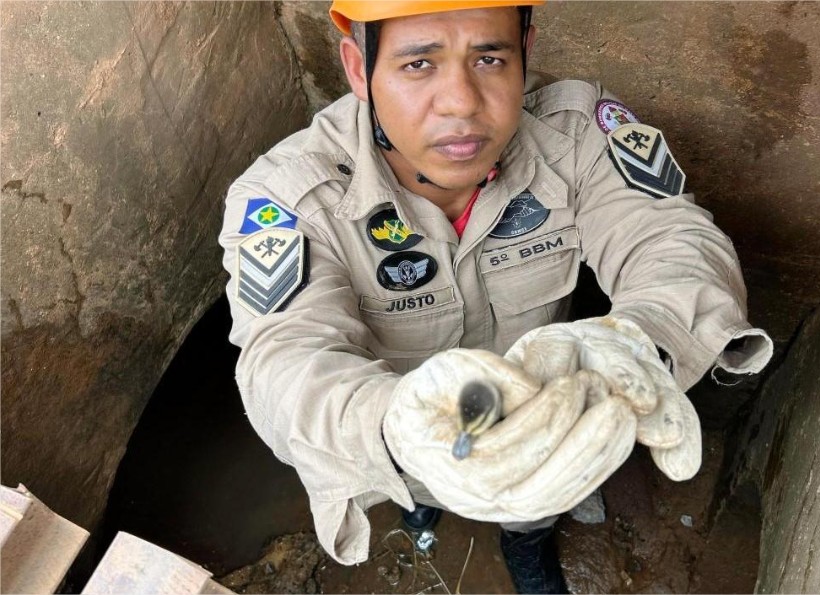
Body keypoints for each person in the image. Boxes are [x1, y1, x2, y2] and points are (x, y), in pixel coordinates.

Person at [218, 2, 772, 592]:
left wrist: (640, 344)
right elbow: (285, 360)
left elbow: (671, 238)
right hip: (407, 442)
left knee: (537, 496)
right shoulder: (290, 199)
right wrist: (395, 431)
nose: (461, 102)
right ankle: (417, 505)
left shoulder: (575, 135)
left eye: (488, 58)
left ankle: (525, 542)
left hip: (544, 420)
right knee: (412, 488)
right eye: (418, 64)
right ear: (359, 69)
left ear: (525, 53)